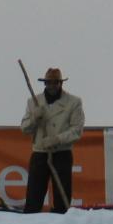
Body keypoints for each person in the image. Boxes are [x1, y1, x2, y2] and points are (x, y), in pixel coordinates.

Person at [20, 67, 84, 214]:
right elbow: (24, 128)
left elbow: (77, 129)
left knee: (62, 200)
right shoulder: (33, 102)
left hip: (62, 153)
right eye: (49, 83)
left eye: (55, 83)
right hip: (40, 153)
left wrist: (57, 139)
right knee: (33, 198)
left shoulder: (74, 102)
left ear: (61, 83)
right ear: (45, 83)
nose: (52, 86)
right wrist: (34, 119)